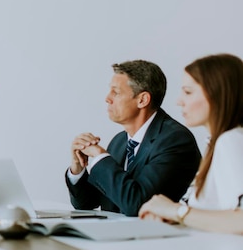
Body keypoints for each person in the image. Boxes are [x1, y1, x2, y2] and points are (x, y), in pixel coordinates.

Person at [66, 60, 202, 216]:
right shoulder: (119, 141)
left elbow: (137, 204)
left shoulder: (174, 140)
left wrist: (100, 157)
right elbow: (86, 203)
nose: (107, 98)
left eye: (115, 92)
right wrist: (77, 168)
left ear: (142, 100)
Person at [139, 54, 243, 234]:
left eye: (188, 92)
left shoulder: (231, 140)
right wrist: (168, 214)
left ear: (217, 94)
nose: (179, 101)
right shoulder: (215, 143)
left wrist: (176, 211)